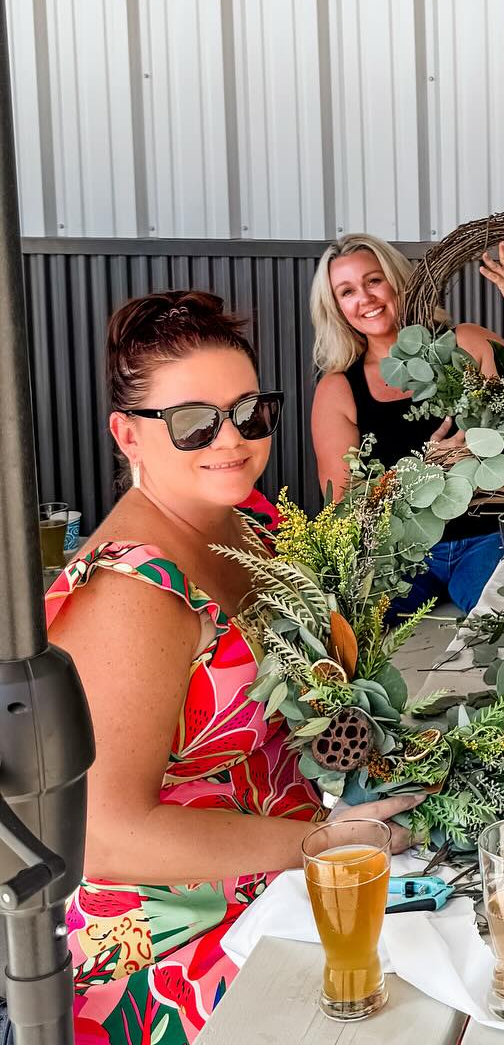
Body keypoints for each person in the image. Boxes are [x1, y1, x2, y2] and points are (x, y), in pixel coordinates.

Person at [45, 291, 419, 1044]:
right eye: (193, 421)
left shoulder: (247, 531)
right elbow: (104, 836)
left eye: (249, 411)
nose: (231, 437)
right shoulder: (131, 593)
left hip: (284, 871)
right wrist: (324, 843)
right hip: (174, 940)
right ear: (128, 435)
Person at [309, 233, 504, 613]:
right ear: (336, 307)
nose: (365, 299)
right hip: (402, 557)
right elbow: (343, 504)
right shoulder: (339, 388)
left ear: (398, 281)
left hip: (488, 535)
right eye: (347, 291)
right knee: (356, 627)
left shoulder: (464, 341)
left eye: (373, 280)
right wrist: (427, 470)